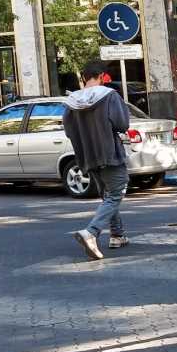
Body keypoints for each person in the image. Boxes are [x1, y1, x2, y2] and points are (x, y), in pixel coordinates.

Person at [63, 61, 131, 260]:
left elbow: (68, 131)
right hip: (109, 152)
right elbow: (122, 124)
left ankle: (117, 235)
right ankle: (91, 232)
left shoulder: (71, 101)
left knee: (107, 194)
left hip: (87, 154)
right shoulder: (109, 96)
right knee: (117, 192)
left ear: (84, 78)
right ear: (102, 76)